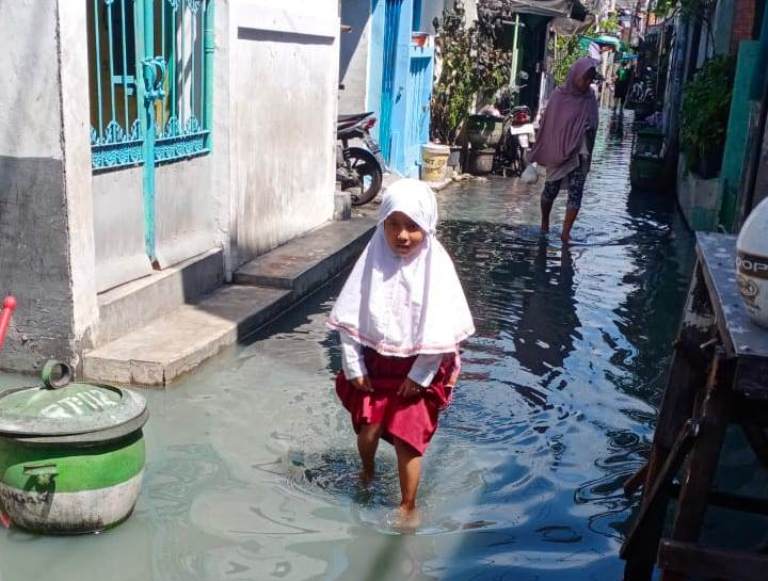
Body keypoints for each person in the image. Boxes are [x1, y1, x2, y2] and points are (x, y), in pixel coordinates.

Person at [328, 179, 475, 528]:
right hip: (376, 365)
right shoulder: (372, 260)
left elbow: (440, 333)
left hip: (418, 368)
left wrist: (420, 375)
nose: (402, 235)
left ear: (428, 226)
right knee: (369, 429)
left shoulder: (436, 268)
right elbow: (349, 319)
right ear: (382, 223)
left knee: (408, 439)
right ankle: (367, 472)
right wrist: (354, 366)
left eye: (412, 226)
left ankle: (408, 505)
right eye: (393, 224)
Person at [530, 57, 599, 243]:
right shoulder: (559, 96)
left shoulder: (589, 97)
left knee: (576, 193)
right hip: (558, 151)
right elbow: (549, 123)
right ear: (575, 76)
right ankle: (545, 222)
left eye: (590, 80)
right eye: (584, 78)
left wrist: (585, 128)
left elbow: (594, 122)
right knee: (550, 190)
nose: (587, 83)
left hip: (580, 152)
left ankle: (566, 233)